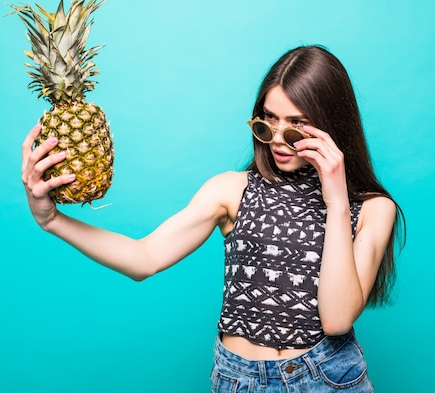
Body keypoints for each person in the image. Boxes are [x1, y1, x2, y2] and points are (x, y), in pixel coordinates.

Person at [21, 45, 405, 392]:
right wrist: (52, 220)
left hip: (327, 378)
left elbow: (337, 320)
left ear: (332, 124)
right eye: (267, 120)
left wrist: (336, 202)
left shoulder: (373, 209)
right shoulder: (231, 190)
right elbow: (145, 258)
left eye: (297, 125)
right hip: (240, 379)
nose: (276, 139)